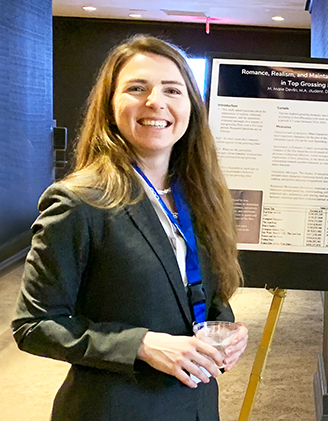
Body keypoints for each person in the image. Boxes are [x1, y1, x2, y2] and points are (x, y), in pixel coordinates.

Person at [12, 35, 248, 421]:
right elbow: (34, 325)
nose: (156, 102)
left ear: (190, 107)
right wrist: (141, 344)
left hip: (196, 404)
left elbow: (201, 292)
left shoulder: (200, 197)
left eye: (172, 89)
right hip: (116, 407)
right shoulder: (78, 201)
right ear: (110, 105)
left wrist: (223, 327)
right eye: (137, 88)